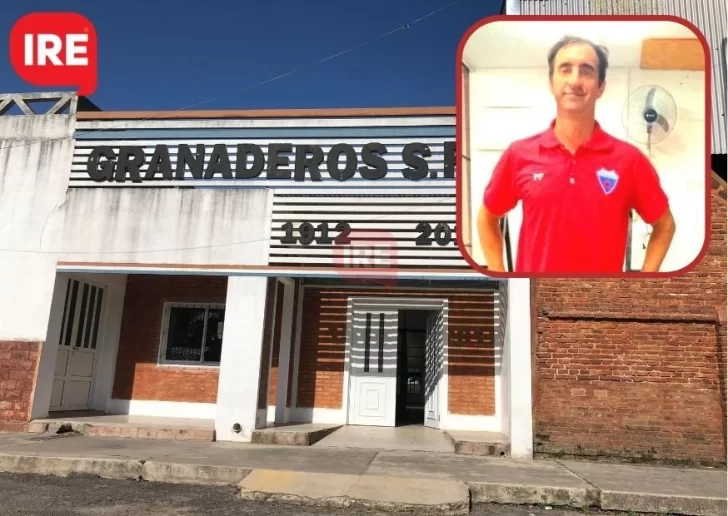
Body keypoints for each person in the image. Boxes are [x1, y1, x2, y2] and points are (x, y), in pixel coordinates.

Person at [477, 35, 676, 274]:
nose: (575, 80)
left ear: (601, 86)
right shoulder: (518, 155)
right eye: (565, 69)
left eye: (587, 71)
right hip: (534, 301)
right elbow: (487, 218)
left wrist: (644, 281)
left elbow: (664, 225)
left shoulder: (630, 160)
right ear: (551, 82)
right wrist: (499, 275)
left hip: (600, 306)